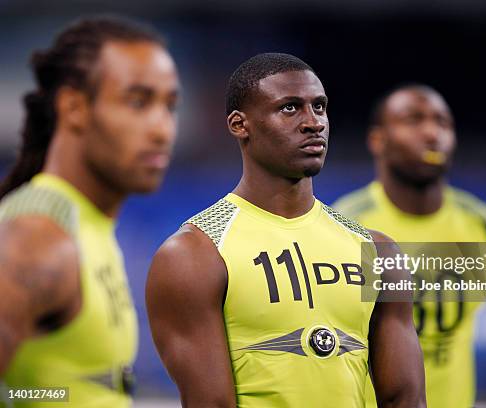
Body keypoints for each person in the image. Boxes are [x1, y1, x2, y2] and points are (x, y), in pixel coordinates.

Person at [146, 53, 426, 407]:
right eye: (290, 108)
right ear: (239, 125)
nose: (313, 123)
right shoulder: (195, 254)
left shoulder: (378, 250)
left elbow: (406, 399)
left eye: (320, 107)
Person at [333, 84, 486, 408]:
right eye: (413, 120)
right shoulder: (343, 227)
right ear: (378, 140)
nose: (432, 133)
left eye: (442, 122)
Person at [0, 16, 179, 407]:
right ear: (75, 108)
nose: (162, 129)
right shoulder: (37, 237)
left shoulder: (84, 225)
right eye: (138, 101)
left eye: (170, 106)